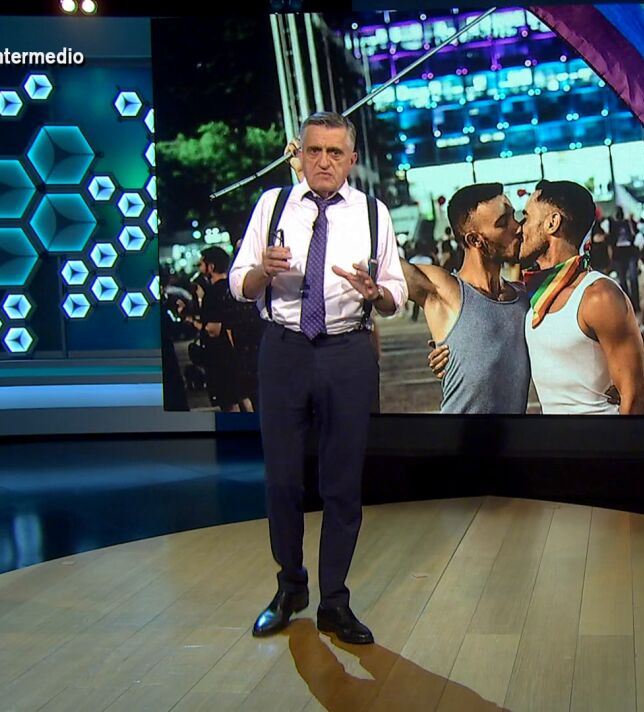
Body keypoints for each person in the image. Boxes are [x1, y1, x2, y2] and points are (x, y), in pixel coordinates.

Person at [229, 112, 407, 642]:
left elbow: (397, 292)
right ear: (299, 155)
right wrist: (262, 272)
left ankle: (334, 601)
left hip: (348, 351)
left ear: (352, 159)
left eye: (334, 152)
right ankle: (290, 585)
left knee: (342, 483)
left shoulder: (374, 213)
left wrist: (378, 293)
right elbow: (239, 282)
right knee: (283, 480)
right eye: (314, 151)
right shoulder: (272, 205)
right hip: (283, 350)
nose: (324, 161)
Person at [519, 181, 644, 414]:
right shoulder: (533, 294)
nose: (520, 228)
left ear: (552, 222)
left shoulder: (599, 296)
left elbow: (634, 398)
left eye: (526, 218)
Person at [402, 183, 530, 414]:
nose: (517, 227)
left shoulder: (524, 298)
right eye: (503, 223)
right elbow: (384, 261)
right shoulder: (446, 292)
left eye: (514, 217)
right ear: (474, 240)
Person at [195, 246, 244, 412]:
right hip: (239, 352)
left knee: (228, 401)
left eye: (201, 264)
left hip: (219, 356)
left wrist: (193, 322)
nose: (200, 268)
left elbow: (213, 329)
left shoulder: (212, 293)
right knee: (243, 396)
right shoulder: (235, 288)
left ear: (211, 266)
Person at [607, 208, 640, 312]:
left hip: (627, 253)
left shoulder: (627, 223)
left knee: (630, 278)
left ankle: (634, 304)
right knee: (624, 279)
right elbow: (611, 239)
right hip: (621, 254)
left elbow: (634, 234)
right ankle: (629, 304)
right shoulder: (614, 224)